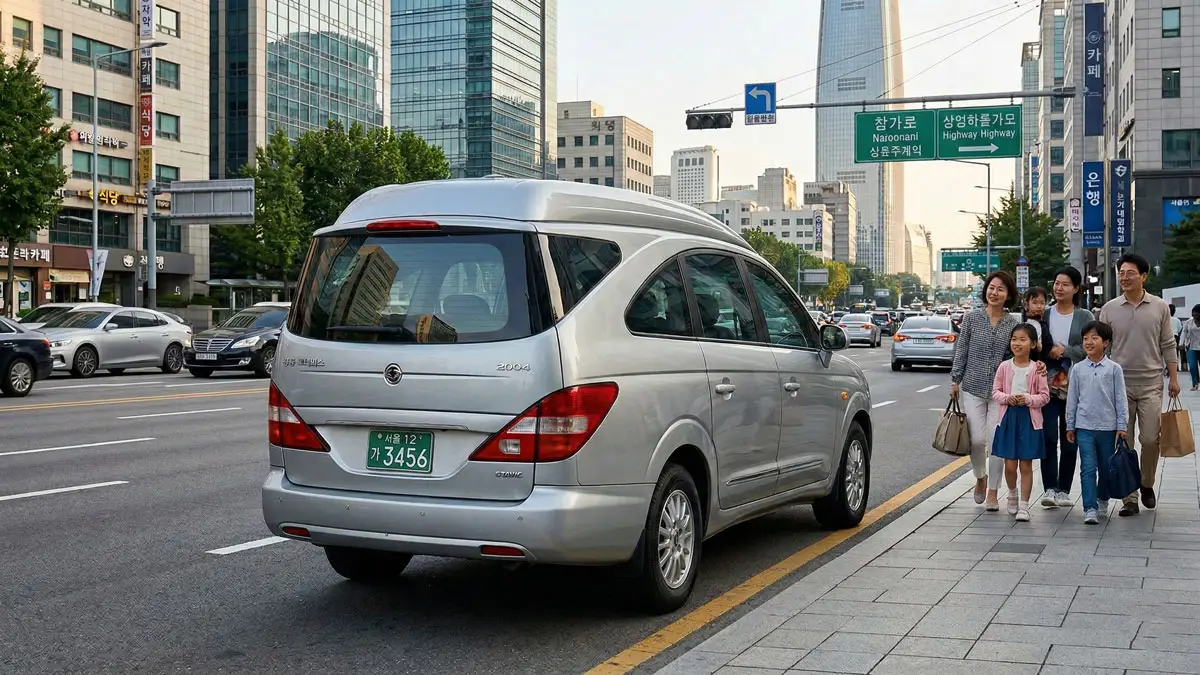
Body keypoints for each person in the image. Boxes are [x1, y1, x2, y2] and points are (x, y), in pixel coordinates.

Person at [1099, 253, 1182, 517]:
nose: (1124, 278)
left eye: (1130, 273)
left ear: (1143, 276)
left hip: (1151, 383)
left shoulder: (1159, 307)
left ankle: (1146, 483)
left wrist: (1174, 379)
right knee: (1124, 440)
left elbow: (1168, 343)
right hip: (1119, 384)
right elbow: (1101, 346)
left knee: (1149, 439)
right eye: (1121, 273)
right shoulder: (1109, 309)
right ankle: (1129, 497)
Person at [951, 271, 1038, 510]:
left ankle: (993, 491)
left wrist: (1036, 366)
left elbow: (1019, 352)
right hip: (972, 386)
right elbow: (962, 349)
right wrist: (955, 380)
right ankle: (981, 476)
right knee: (977, 440)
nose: (994, 292)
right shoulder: (972, 318)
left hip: (1002, 391)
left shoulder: (1013, 322)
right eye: (991, 287)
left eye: (1000, 289)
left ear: (1008, 294)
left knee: (997, 441)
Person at [1037, 267, 1094, 509]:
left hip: (1075, 387)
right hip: (1047, 386)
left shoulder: (1085, 316)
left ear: (1076, 288)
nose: (1059, 288)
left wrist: (1065, 351)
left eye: (1066, 284)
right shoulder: (1044, 314)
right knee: (1048, 436)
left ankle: (1064, 490)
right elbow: (1032, 343)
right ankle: (1049, 487)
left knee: (1070, 438)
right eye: (1057, 283)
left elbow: (1091, 347)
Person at [1066, 321, 1129, 524]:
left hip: (1108, 427)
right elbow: (1072, 399)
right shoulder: (1077, 369)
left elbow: (1120, 399)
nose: (1089, 342)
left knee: (1105, 467)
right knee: (1087, 467)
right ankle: (1089, 507)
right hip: (1084, 426)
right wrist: (1070, 424)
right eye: (1085, 339)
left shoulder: (1114, 369)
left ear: (1106, 342)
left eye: (1095, 338)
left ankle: (1103, 498)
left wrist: (1122, 425)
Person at [989, 323, 1050, 521]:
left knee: (1026, 464)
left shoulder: (1037, 369)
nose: (1017, 343)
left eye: (1023, 340)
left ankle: (1024, 505)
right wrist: (1008, 398)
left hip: (1029, 420)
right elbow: (995, 392)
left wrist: (1028, 399)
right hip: (1008, 418)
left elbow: (1045, 396)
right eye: (1014, 339)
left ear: (1032, 344)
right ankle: (1012, 493)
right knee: (1009, 465)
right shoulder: (1004, 367)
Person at [1022, 287, 1049, 359]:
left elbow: (1047, 346)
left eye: (1042, 303)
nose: (1039, 306)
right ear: (1027, 304)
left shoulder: (1044, 323)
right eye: (1035, 302)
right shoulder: (1021, 322)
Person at [1181, 304, 1200, 391]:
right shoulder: (1189, 322)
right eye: (1193, 313)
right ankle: (1195, 384)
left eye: (1196, 313)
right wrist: (1181, 343)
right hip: (1191, 346)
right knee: (1192, 366)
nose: (1194, 315)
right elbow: (1184, 332)